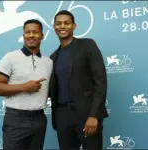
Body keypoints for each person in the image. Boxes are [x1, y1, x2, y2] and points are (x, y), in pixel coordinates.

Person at [49, 10, 108, 150]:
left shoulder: (87, 45)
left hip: (87, 115)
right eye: (58, 23)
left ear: (74, 26)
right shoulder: (52, 57)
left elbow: (100, 81)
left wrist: (94, 115)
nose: (62, 26)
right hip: (62, 116)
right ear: (54, 27)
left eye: (66, 23)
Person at [0, 19, 53, 150]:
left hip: (39, 118)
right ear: (23, 35)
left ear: (42, 35)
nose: (31, 35)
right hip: (16, 119)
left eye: (35, 32)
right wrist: (24, 87)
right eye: (27, 32)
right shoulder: (10, 57)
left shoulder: (49, 62)